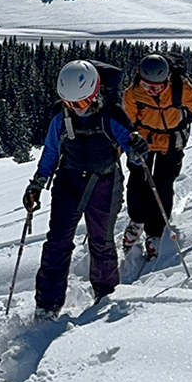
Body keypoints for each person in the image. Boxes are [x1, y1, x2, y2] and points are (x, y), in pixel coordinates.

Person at [22, 59, 148, 321]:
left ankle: (105, 295)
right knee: (57, 242)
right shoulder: (62, 116)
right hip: (68, 181)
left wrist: (138, 150)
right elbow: (52, 151)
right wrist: (37, 184)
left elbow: (133, 153)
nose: (75, 109)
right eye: (68, 103)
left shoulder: (112, 115)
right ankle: (47, 304)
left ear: (94, 93)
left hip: (104, 182)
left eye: (79, 103)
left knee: (101, 241)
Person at [120, 53, 192, 261]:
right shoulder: (132, 94)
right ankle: (137, 221)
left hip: (171, 141)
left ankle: (155, 232)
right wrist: (123, 146)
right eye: (148, 85)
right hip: (143, 143)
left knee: (162, 185)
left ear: (167, 79)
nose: (152, 90)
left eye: (158, 86)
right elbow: (126, 123)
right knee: (137, 184)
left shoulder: (179, 87)